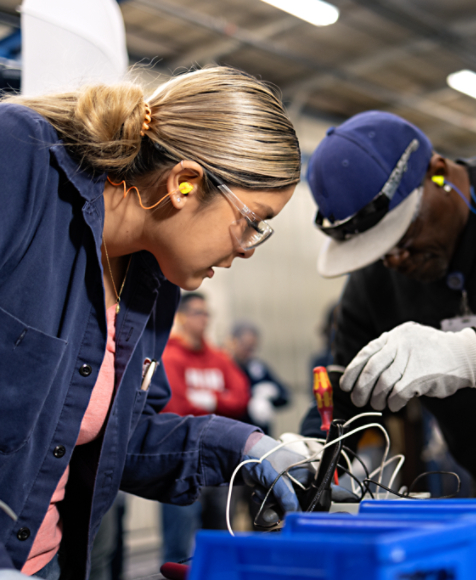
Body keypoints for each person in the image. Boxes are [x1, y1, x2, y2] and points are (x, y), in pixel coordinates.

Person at [0, 65, 310, 580]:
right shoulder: (20, 162)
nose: (248, 248)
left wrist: (245, 449)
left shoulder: (152, 279)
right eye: (252, 222)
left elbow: (118, 433)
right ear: (185, 183)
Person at [300, 110, 476, 525]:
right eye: (380, 250)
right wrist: (309, 453)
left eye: (404, 235)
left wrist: (471, 355)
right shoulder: (377, 277)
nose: (396, 259)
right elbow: (347, 391)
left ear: (437, 173)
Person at [160, 292, 250, 563]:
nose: (205, 319)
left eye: (207, 313)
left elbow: (241, 397)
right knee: (180, 544)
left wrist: (208, 399)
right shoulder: (170, 355)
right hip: (181, 461)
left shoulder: (218, 357)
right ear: (183, 317)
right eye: (199, 313)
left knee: (221, 536)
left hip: (219, 461)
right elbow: (175, 406)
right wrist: (218, 403)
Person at [227, 320, 290, 435]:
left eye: (253, 348)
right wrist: (249, 403)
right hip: (235, 433)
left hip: (261, 435)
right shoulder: (224, 367)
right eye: (246, 347)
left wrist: (270, 396)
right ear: (233, 342)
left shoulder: (257, 368)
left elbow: (285, 396)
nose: (250, 353)